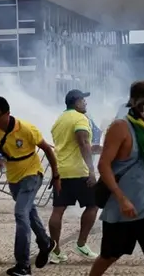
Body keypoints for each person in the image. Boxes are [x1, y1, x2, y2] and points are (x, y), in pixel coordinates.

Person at [89, 81, 144, 276]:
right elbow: (103, 165)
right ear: (135, 103)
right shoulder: (121, 127)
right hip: (122, 206)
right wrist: (121, 198)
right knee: (110, 255)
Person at [0, 96, 59, 276]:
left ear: (7, 114)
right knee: (29, 211)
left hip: (32, 174)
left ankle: (23, 265)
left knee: (20, 213)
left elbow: (48, 150)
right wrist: (0, 160)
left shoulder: (26, 129)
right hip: (13, 178)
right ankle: (46, 243)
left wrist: (56, 175)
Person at [48, 89, 99, 263]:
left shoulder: (59, 120)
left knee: (58, 210)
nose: (85, 103)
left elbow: (71, 145)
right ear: (76, 102)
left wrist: (97, 148)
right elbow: (82, 142)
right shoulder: (79, 118)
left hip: (61, 172)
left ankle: (55, 251)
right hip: (79, 172)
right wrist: (92, 170)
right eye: (83, 100)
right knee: (93, 205)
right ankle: (81, 244)